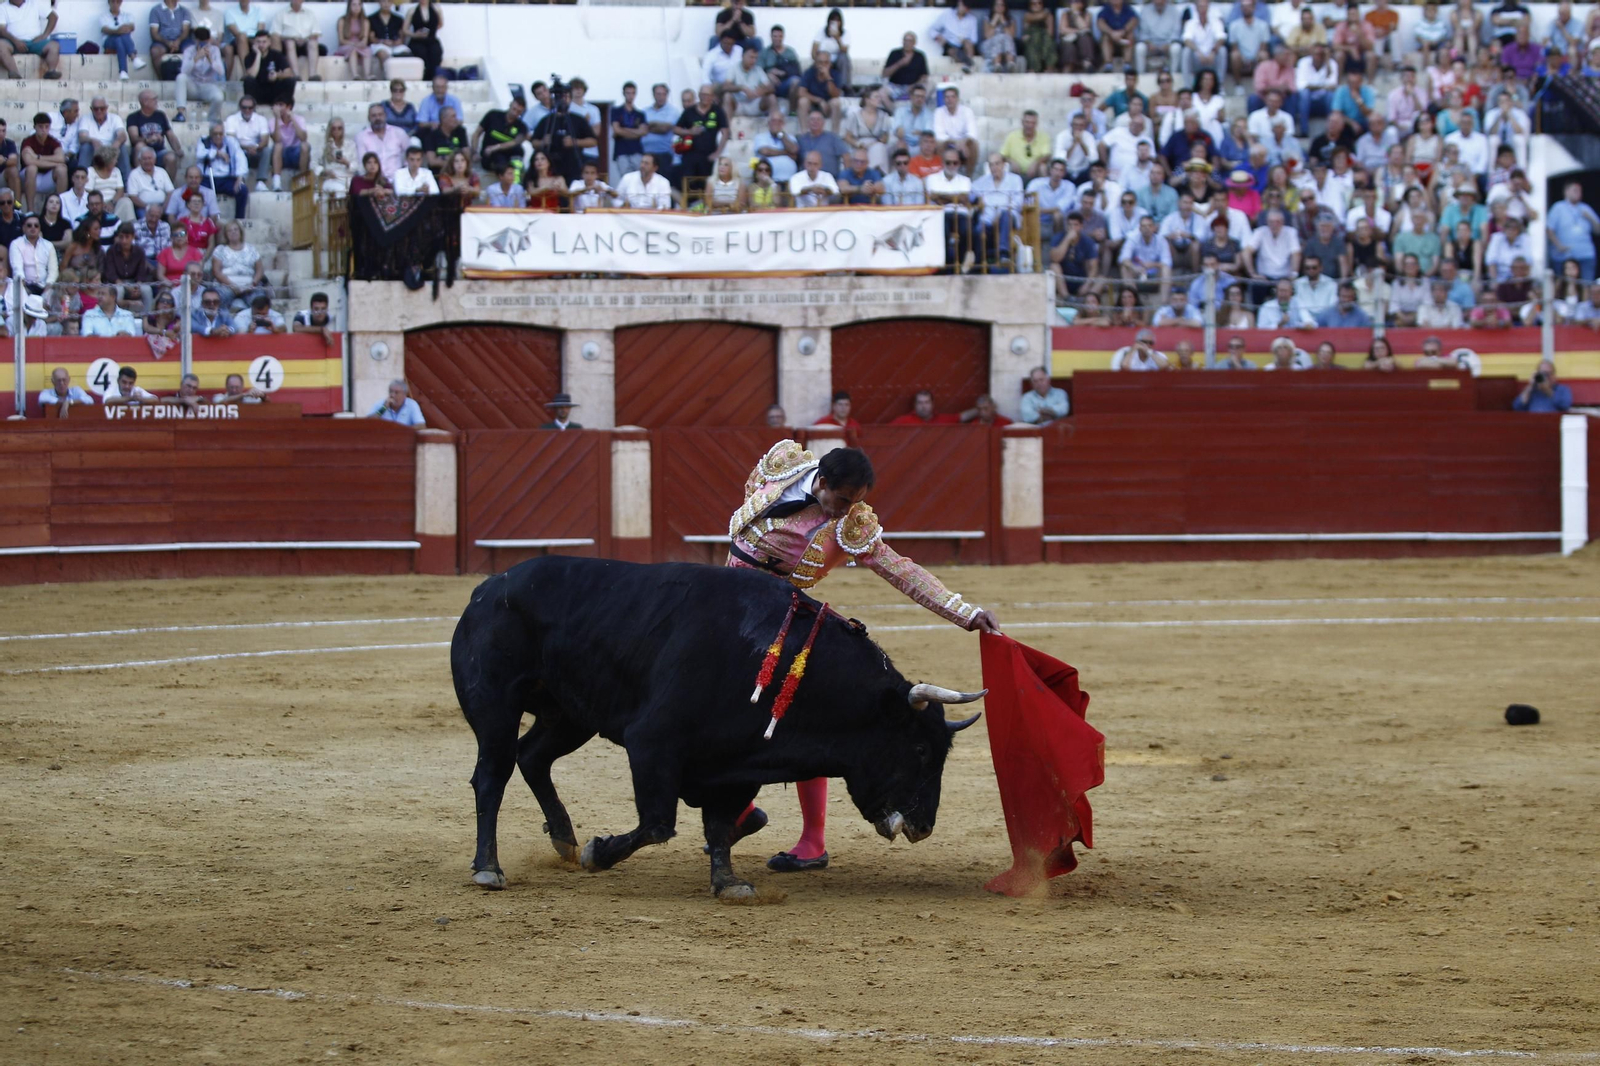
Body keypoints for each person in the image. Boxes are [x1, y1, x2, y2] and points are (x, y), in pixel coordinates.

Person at [725, 441, 999, 873]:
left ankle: (810, 841)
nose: (846, 510)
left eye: (856, 502)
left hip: (776, 618)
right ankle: (742, 813)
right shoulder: (784, 465)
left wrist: (965, 613)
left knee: (796, 715)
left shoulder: (850, 526)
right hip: (723, 604)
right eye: (841, 500)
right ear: (823, 482)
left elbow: (901, 570)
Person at [1547, 181, 1600, 282]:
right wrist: (1559, 246)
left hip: (1585, 254)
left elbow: (1598, 230)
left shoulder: (1585, 208)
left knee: (1586, 284)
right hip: (1564, 256)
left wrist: (1590, 218)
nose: (1578, 193)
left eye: (1580, 191)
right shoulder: (1558, 207)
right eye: (1575, 190)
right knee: (1563, 285)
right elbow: (1549, 229)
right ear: (1566, 192)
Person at [196, 122, 249, 218]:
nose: (218, 136)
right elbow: (199, 154)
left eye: (220, 134)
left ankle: (239, 219)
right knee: (199, 191)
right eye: (215, 134)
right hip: (208, 178)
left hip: (227, 179)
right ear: (210, 134)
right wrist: (217, 153)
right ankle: (202, 220)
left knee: (242, 190)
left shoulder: (231, 142)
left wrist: (240, 177)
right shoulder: (204, 141)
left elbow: (241, 158)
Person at [176, 27, 227, 125]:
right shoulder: (189, 51)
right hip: (193, 86)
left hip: (208, 85)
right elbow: (183, 71)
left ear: (209, 40)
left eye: (206, 41)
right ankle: (180, 113)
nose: (204, 44)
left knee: (219, 97)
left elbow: (221, 72)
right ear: (196, 40)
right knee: (180, 77)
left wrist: (210, 59)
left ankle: (212, 119)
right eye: (201, 41)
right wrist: (196, 58)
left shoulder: (215, 50)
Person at [472, 96, 528, 182]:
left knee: (519, 150)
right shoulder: (493, 115)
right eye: (514, 109)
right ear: (510, 105)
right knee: (500, 158)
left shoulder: (522, 126)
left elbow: (515, 142)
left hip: (506, 154)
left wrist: (497, 147)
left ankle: (515, 181)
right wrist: (475, 152)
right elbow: (477, 133)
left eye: (519, 112)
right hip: (489, 155)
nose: (515, 113)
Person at [928, 0, 980, 72]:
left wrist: (964, 40)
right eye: (963, 5)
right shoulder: (947, 14)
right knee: (952, 51)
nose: (964, 8)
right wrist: (938, 37)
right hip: (950, 44)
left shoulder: (972, 19)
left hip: (965, 45)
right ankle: (966, 62)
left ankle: (968, 64)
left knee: (968, 44)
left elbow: (974, 39)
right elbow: (932, 30)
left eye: (966, 7)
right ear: (959, 3)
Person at [101, 0, 146, 79]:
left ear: (121, 3)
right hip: (109, 41)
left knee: (120, 40)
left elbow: (131, 27)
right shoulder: (104, 16)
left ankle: (123, 72)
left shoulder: (127, 15)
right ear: (109, 2)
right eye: (113, 2)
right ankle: (133, 58)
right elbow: (105, 29)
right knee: (122, 36)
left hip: (120, 41)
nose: (115, 4)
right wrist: (118, 31)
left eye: (118, 2)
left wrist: (121, 31)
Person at [402, 0, 442, 80]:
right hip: (417, 41)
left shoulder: (437, 9)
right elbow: (404, 29)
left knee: (435, 52)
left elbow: (440, 24)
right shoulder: (412, 11)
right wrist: (415, 35)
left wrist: (431, 31)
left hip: (432, 40)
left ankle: (433, 77)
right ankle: (424, 77)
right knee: (421, 53)